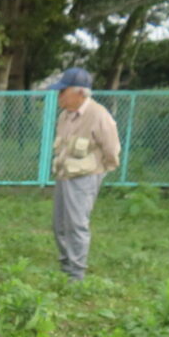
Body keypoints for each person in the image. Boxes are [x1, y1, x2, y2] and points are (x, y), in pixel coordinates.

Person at [49, 67, 121, 282]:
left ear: (80, 93)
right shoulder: (65, 115)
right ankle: (66, 265)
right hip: (65, 175)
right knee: (60, 223)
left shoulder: (98, 115)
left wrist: (98, 172)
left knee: (77, 224)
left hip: (85, 177)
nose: (59, 96)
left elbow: (111, 150)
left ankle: (76, 273)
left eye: (63, 91)